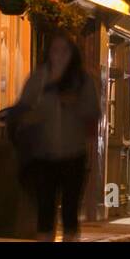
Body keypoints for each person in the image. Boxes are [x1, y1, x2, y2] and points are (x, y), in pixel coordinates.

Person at [10, 33, 100, 241]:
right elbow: (22, 108)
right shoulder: (39, 78)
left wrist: (75, 105)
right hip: (43, 154)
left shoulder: (82, 80)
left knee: (70, 211)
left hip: (73, 154)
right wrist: (32, 116)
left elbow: (93, 114)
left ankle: (70, 237)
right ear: (48, 53)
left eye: (64, 51)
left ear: (72, 54)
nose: (59, 55)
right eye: (55, 50)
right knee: (45, 209)